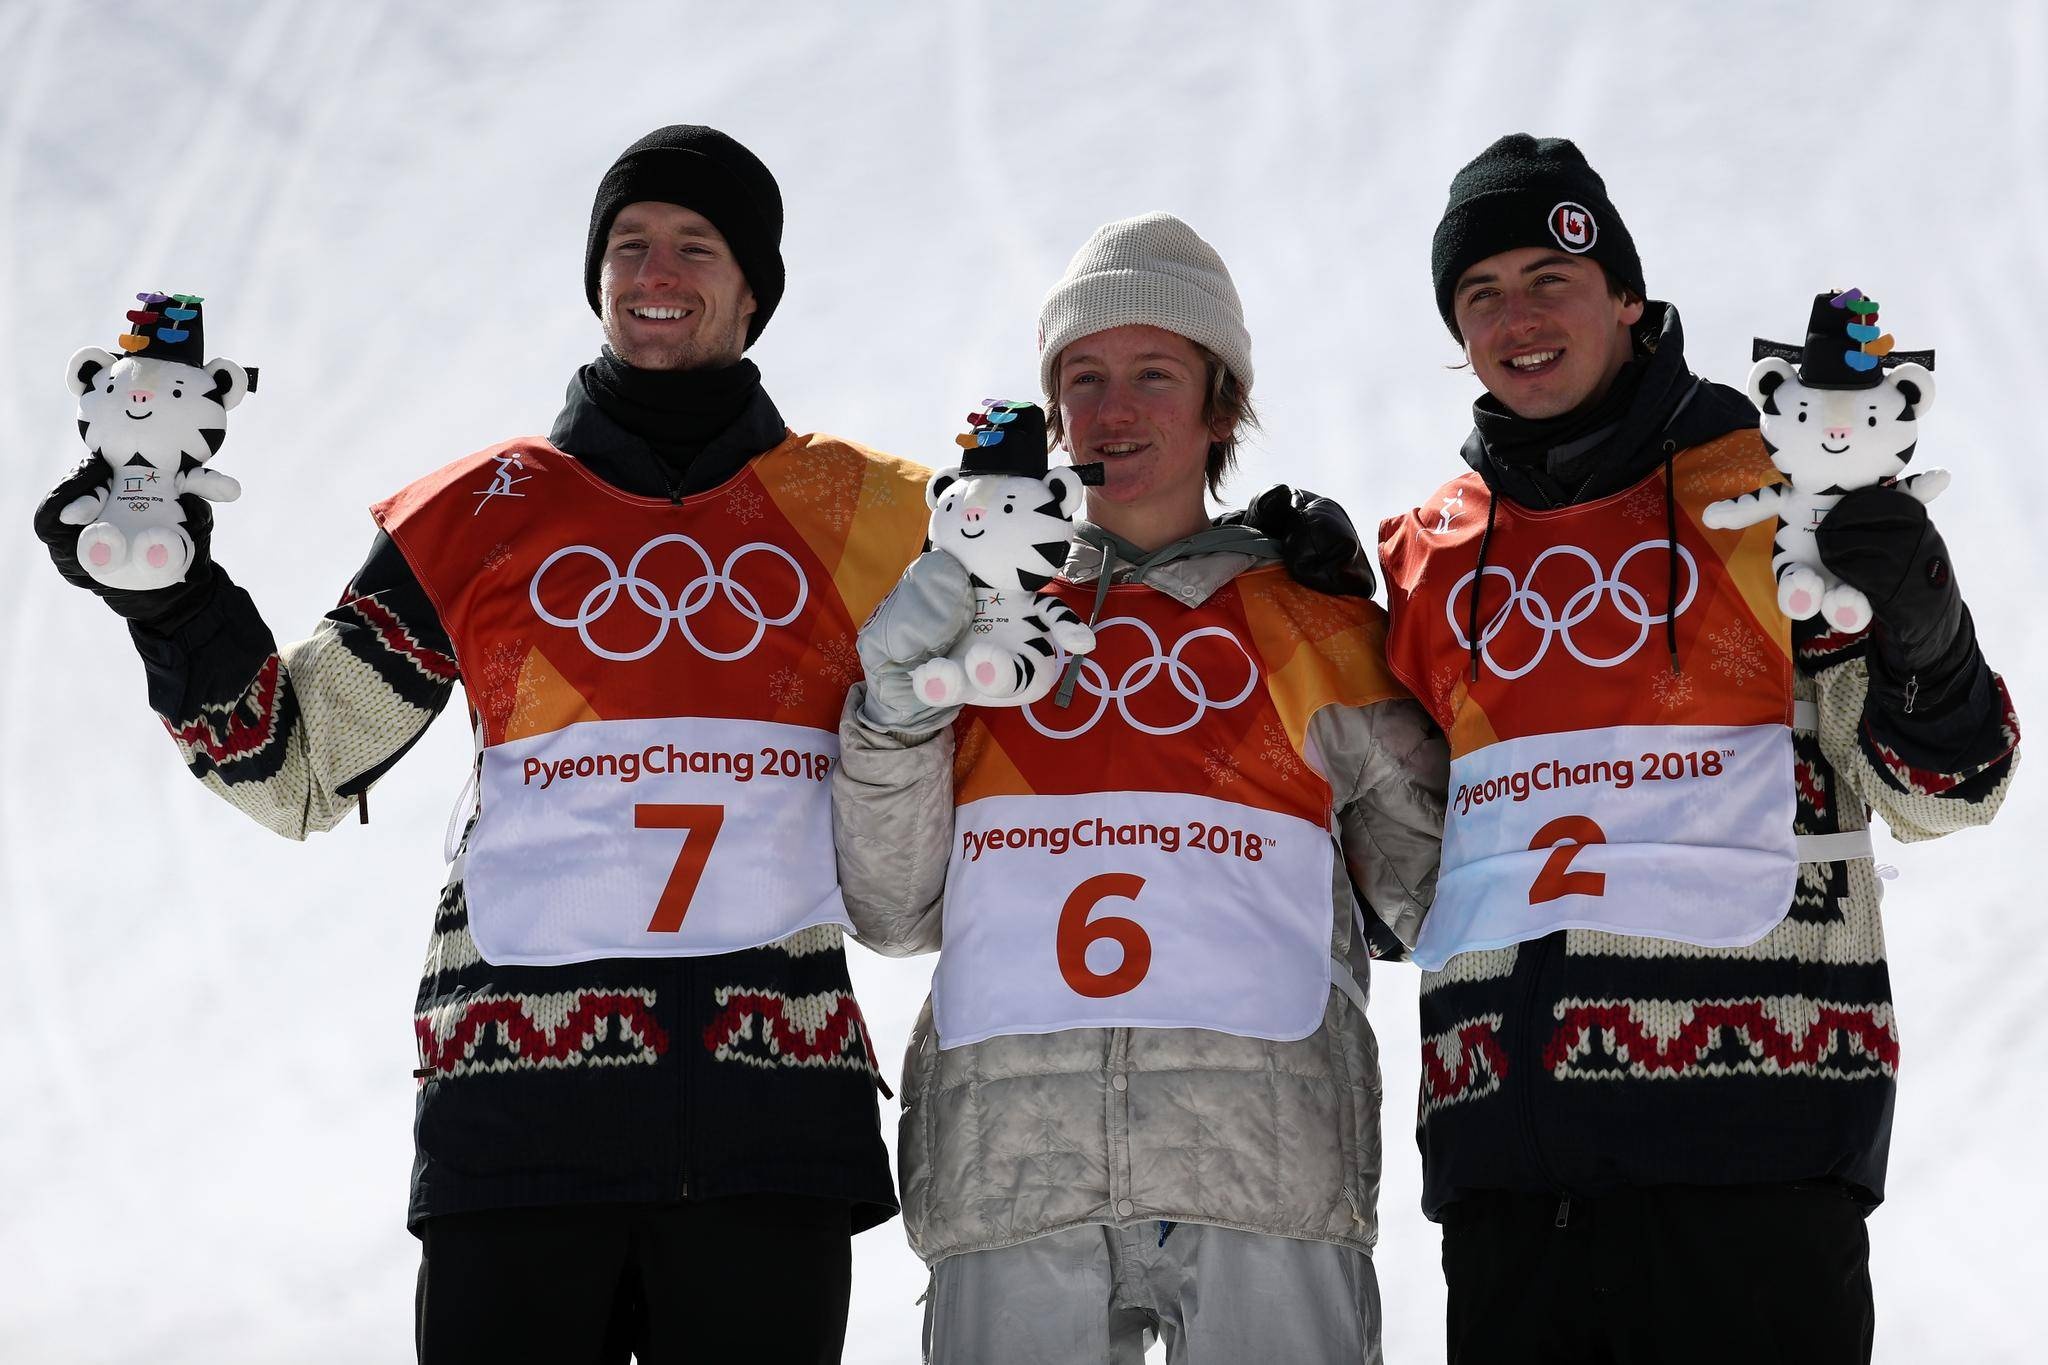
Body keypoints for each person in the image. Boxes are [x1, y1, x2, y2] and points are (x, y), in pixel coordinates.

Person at [36, 124, 931, 1364]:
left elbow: (1054, 693)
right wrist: (173, 597)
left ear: (752, 288)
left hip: (767, 1134)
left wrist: (1283, 569)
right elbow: (293, 768)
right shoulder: (479, 513)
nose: (653, 269)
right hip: (519, 1129)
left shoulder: (882, 515)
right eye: (627, 244)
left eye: (692, 243)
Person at [1378, 134, 2022, 1364]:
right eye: (1479, 295)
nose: (1516, 317)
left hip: (1754, 1166)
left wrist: (1928, 643)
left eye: (1547, 278)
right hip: (1510, 1183)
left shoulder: (1778, 504)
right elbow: (1389, 863)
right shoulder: (1426, 554)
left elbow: (1949, 794)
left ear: (1623, 293)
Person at [832, 211, 1448, 1364]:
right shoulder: (975, 620)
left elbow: (1425, 896)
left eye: (1153, 374)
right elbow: (891, 906)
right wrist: (896, 708)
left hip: (1262, 1159)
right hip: (1014, 1161)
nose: (1113, 410)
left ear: (1222, 404)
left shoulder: (1308, 625)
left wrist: (1395, 650)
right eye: (1083, 378)